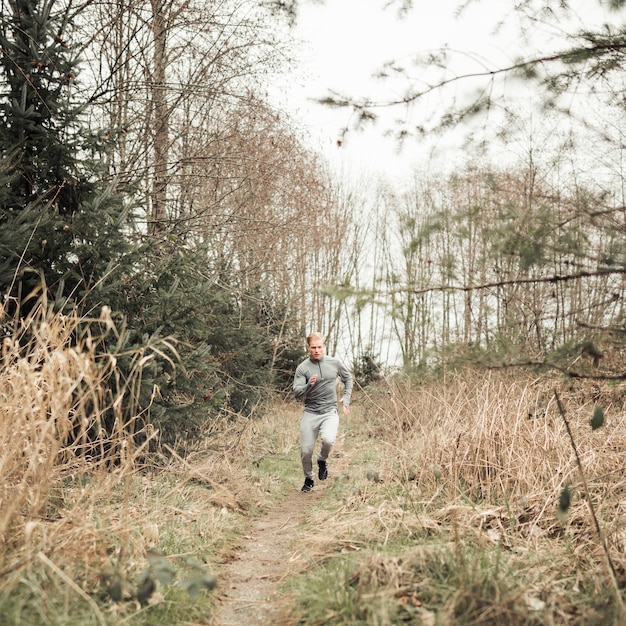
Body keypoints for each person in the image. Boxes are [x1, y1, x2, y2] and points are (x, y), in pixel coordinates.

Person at [293, 332, 353, 492]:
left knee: (328, 440)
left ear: (324, 347)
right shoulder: (303, 368)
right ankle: (309, 479)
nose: (317, 350)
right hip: (311, 413)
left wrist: (345, 399)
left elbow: (348, 379)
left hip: (329, 411)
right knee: (305, 451)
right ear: (308, 348)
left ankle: (322, 460)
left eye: (320, 347)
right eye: (313, 347)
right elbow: (297, 392)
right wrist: (308, 386)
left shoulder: (334, 363)